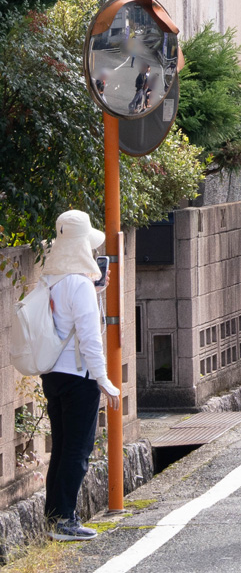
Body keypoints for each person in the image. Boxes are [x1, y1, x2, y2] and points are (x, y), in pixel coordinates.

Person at [41, 211, 121, 542]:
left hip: (53, 373)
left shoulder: (52, 279)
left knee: (61, 447)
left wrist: (95, 291)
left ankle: (55, 517)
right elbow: (89, 338)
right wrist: (104, 380)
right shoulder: (80, 284)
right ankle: (64, 522)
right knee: (78, 449)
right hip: (79, 375)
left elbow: (65, 321)